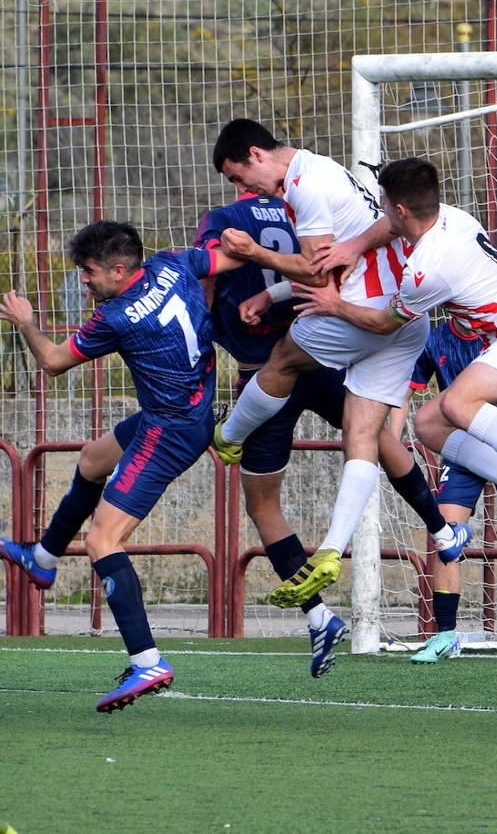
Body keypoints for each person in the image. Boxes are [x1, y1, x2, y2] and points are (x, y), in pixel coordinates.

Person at [209, 120, 470, 611]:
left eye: (238, 177)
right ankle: (351, 546)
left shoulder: (306, 186)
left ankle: (227, 437)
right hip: (404, 317)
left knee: (282, 357)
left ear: (255, 154)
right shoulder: (337, 173)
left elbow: (315, 270)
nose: (243, 190)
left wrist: (253, 253)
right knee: (366, 437)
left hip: (355, 313)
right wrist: (272, 291)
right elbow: (358, 242)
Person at [0, 221, 241, 711]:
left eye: (88, 273)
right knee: (92, 460)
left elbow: (51, 361)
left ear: (117, 269)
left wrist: (24, 320)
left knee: (102, 540)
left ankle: (147, 660)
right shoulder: (173, 264)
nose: (83, 282)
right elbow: (227, 258)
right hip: (186, 411)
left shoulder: (117, 316)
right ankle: (43, 560)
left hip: (168, 430)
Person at [297, 157, 497, 555]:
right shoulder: (453, 217)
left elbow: (381, 324)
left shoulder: (426, 270)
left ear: (399, 209)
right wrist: (355, 245)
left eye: (383, 203)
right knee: (429, 424)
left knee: (457, 402)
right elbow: (389, 225)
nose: (380, 211)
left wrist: (333, 304)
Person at [194, 192, 352, 676]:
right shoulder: (300, 210)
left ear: (238, 168)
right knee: (374, 440)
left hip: (263, 376)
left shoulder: (224, 219)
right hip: (319, 355)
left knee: (263, 505)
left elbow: (205, 275)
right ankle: (440, 525)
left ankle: (319, 615)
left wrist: (200, 339)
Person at [398, 320, 497, 666]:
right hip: (460, 448)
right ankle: (447, 635)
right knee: (446, 539)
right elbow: (404, 394)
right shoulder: (433, 337)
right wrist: (391, 442)